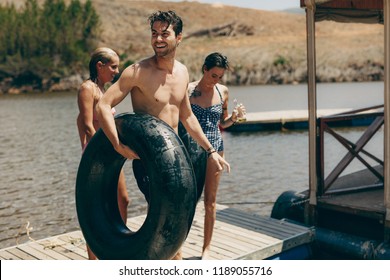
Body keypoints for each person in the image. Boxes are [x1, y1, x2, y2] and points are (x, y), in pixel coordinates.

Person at [96, 11, 230, 260]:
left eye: (164, 34)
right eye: (154, 33)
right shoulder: (137, 71)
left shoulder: (182, 73)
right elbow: (103, 105)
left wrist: (211, 151)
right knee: (167, 225)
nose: (158, 39)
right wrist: (117, 144)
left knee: (174, 224)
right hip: (148, 162)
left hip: (177, 158)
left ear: (178, 37)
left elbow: (187, 116)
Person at [188, 52, 246, 259]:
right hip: (190, 149)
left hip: (216, 149)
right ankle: (176, 244)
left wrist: (236, 118)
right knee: (187, 200)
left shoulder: (223, 91)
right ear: (204, 69)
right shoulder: (188, 90)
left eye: (220, 77)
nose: (216, 80)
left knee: (210, 201)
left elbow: (223, 123)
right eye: (213, 75)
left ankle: (206, 248)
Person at [76, 47, 130, 260]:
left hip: (112, 154)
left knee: (123, 200)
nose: (116, 71)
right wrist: (110, 148)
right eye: (113, 66)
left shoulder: (104, 90)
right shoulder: (87, 89)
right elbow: (89, 126)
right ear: (100, 65)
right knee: (95, 209)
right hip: (97, 157)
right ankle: (94, 261)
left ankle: (118, 244)